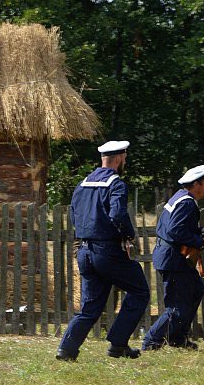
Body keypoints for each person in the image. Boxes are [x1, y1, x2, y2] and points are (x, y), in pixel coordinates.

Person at [55, 141, 150, 361]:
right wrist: (128, 235)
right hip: (107, 251)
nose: (124, 162)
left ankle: (66, 349)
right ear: (118, 159)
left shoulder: (83, 184)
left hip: (84, 251)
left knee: (90, 307)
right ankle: (117, 344)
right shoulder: (116, 184)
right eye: (124, 159)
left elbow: (74, 216)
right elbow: (117, 215)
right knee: (139, 291)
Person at [142, 164, 204, 351]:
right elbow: (175, 231)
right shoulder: (187, 203)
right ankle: (151, 341)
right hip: (174, 260)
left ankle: (177, 338)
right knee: (176, 306)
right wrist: (200, 241)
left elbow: (177, 228)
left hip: (173, 258)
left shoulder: (180, 198)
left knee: (196, 289)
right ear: (196, 184)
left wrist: (200, 232)